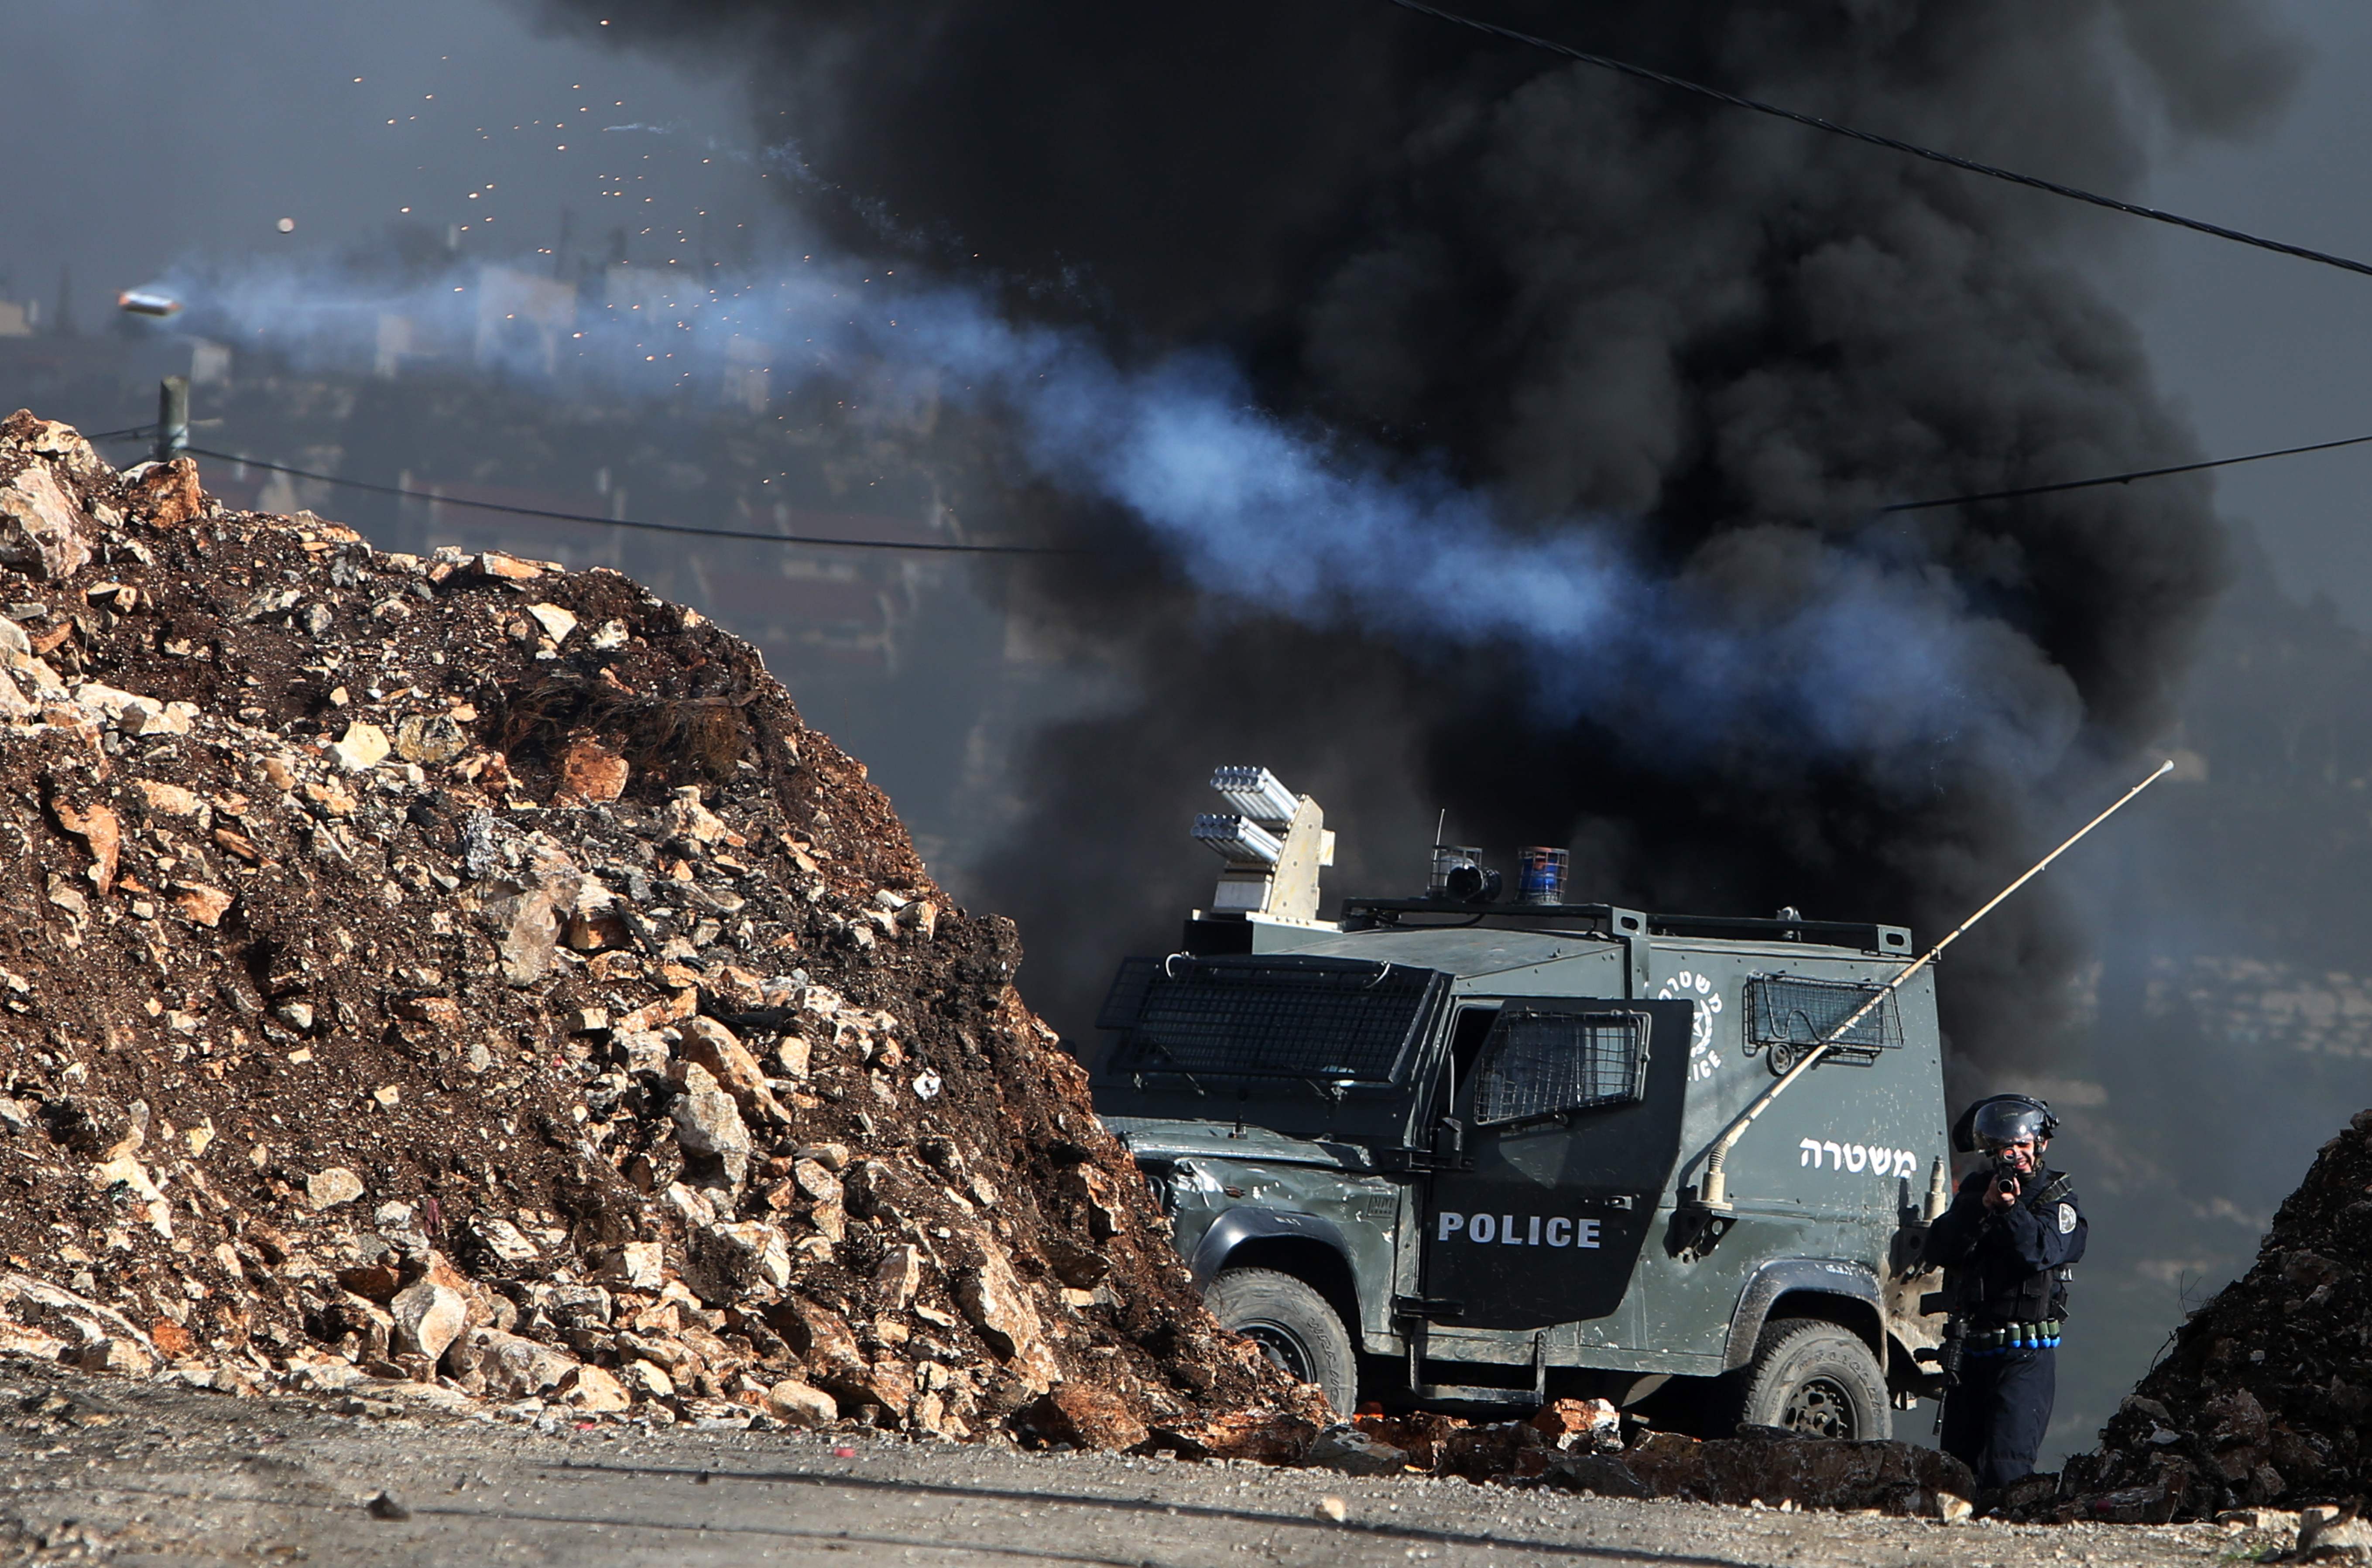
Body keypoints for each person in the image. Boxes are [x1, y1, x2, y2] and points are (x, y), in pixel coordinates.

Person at [1921, 1094, 2086, 1493]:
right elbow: (1939, 1248)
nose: (2016, 1158)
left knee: (2005, 1469)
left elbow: (2040, 1251)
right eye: (2006, 1150)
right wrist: (1982, 1209)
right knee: (1956, 1471)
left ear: (2041, 1144)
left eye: (2024, 1147)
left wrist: (2010, 1211)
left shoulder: (2057, 1198)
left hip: (2025, 1357)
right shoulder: (1976, 1193)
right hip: (1972, 1352)